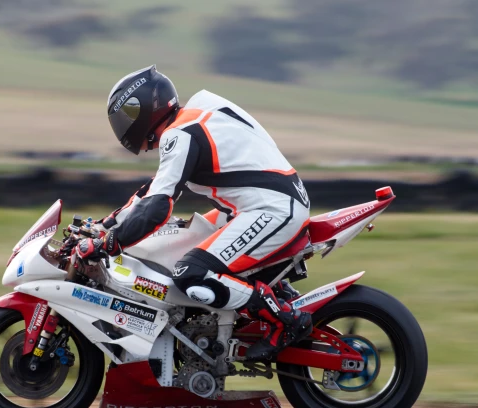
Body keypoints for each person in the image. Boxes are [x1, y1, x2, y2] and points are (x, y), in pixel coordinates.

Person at [75, 65, 312, 361]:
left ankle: (285, 320)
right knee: (179, 244)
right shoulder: (192, 119)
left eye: (128, 115)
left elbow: (157, 207)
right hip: (260, 205)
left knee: (190, 273)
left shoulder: (181, 133)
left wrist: (107, 244)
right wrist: (105, 225)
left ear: (148, 106)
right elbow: (152, 192)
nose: (125, 125)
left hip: (271, 208)